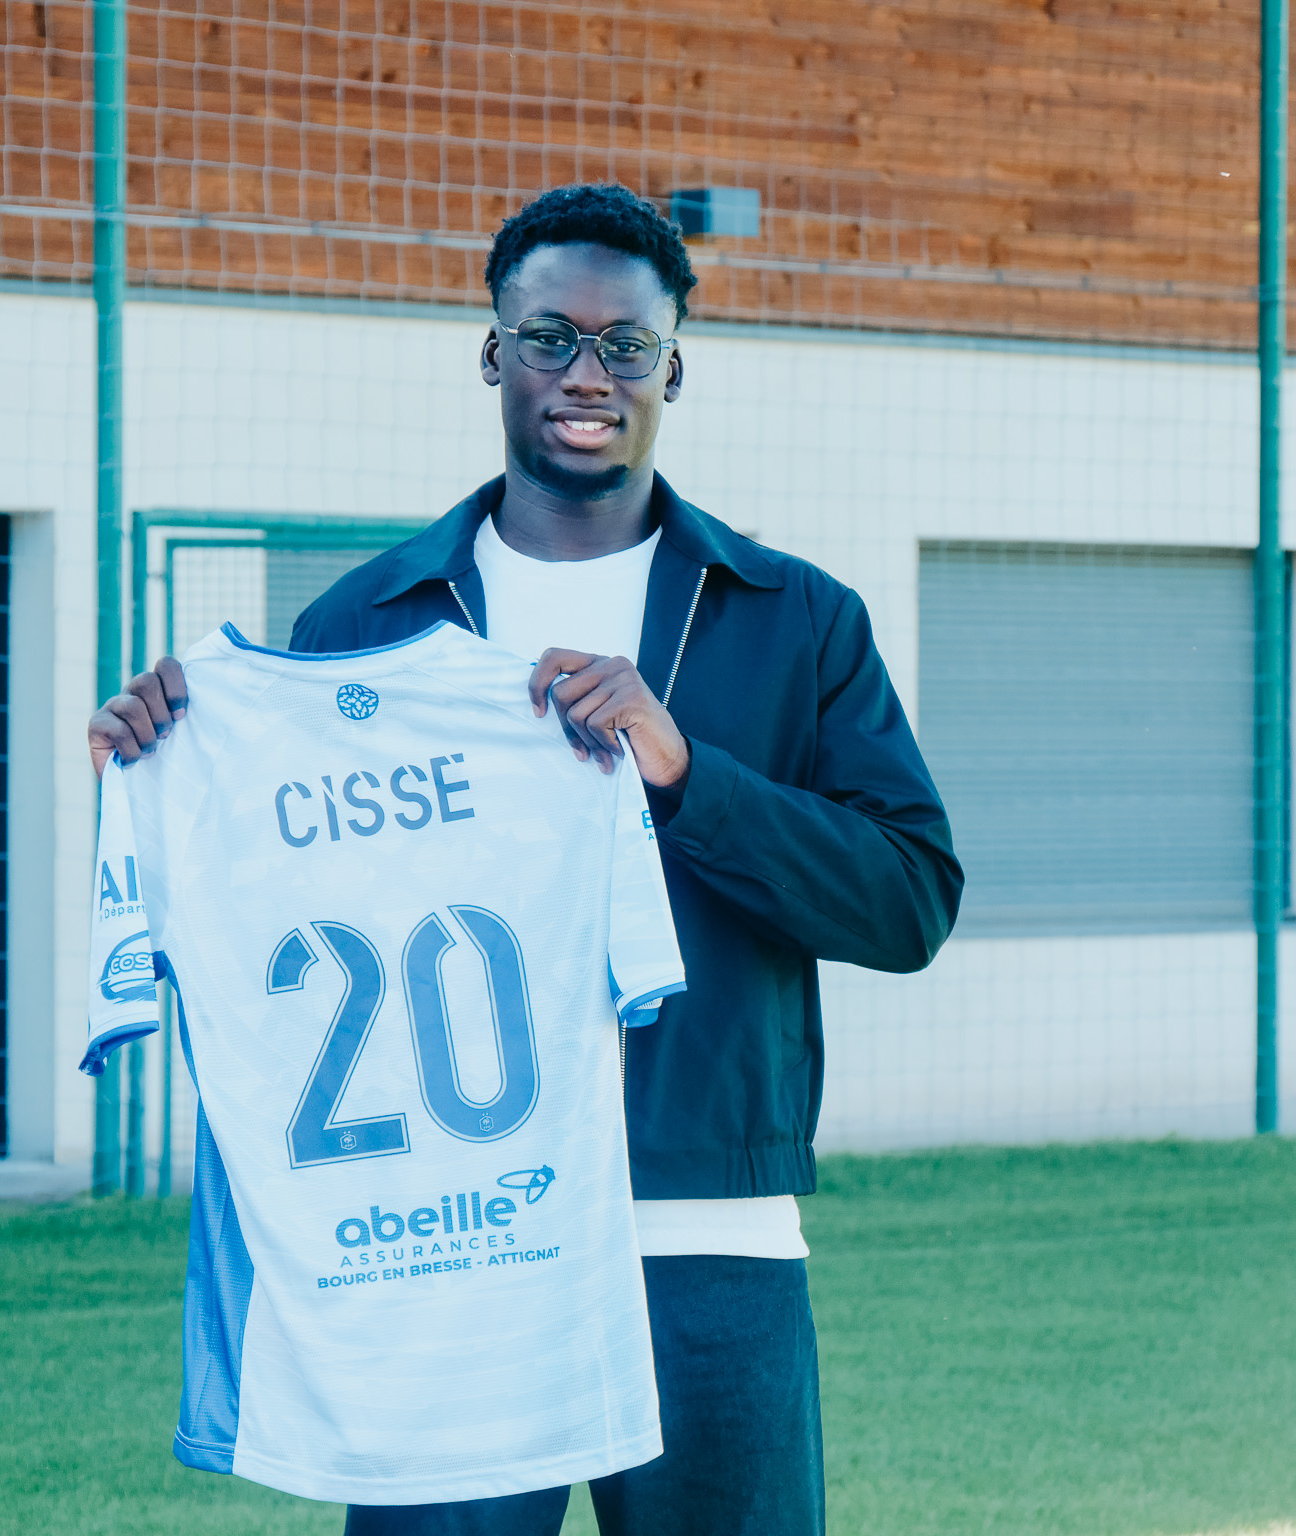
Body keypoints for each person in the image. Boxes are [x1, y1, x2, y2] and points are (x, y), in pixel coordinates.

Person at [87, 181, 962, 1536]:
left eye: (626, 344)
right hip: (449, 1249)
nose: (587, 375)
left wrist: (689, 776)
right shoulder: (365, 621)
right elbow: (281, 915)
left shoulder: (793, 617)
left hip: (703, 1235)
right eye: (550, 336)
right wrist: (167, 771)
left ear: (674, 367)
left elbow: (908, 901)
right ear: (494, 352)